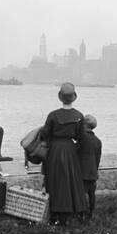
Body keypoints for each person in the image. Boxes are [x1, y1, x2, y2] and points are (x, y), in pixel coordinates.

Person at [41, 82, 89, 225]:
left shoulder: (53, 115)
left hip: (55, 149)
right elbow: (83, 138)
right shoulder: (79, 115)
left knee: (55, 180)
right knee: (71, 181)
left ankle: (55, 213)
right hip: (70, 149)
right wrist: (74, 149)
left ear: (60, 97)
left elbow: (45, 134)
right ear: (74, 97)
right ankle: (73, 211)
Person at [78, 114, 102, 220]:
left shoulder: (82, 138)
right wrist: (95, 170)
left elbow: (75, 151)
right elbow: (97, 158)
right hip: (92, 171)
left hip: (81, 171)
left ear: (84, 125)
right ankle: (90, 214)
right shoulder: (97, 141)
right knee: (91, 194)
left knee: (81, 194)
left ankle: (81, 215)